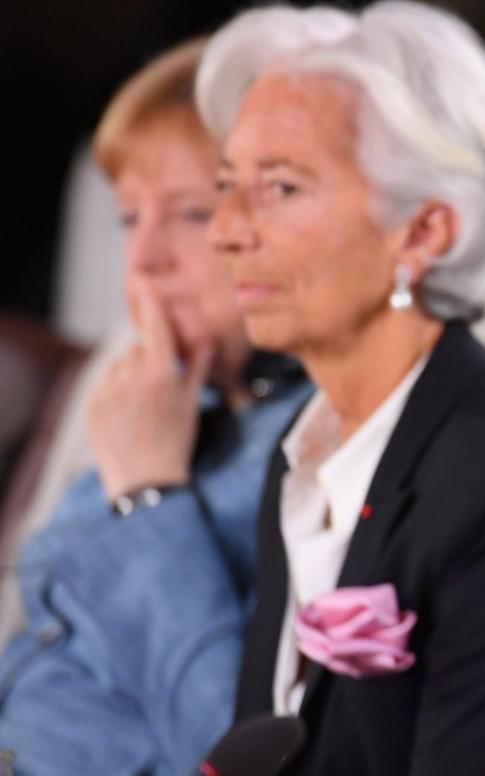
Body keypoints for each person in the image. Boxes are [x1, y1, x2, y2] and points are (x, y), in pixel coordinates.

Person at [197, 3, 485, 773]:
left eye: (279, 188)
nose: (225, 229)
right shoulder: (305, 445)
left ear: (424, 232)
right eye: (227, 183)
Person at [0, 39, 312, 774]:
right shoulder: (168, 392)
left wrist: (148, 496)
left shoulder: (327, 444)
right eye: (128, 219)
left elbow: (232, 749)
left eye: (190, 215)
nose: (143, 259)